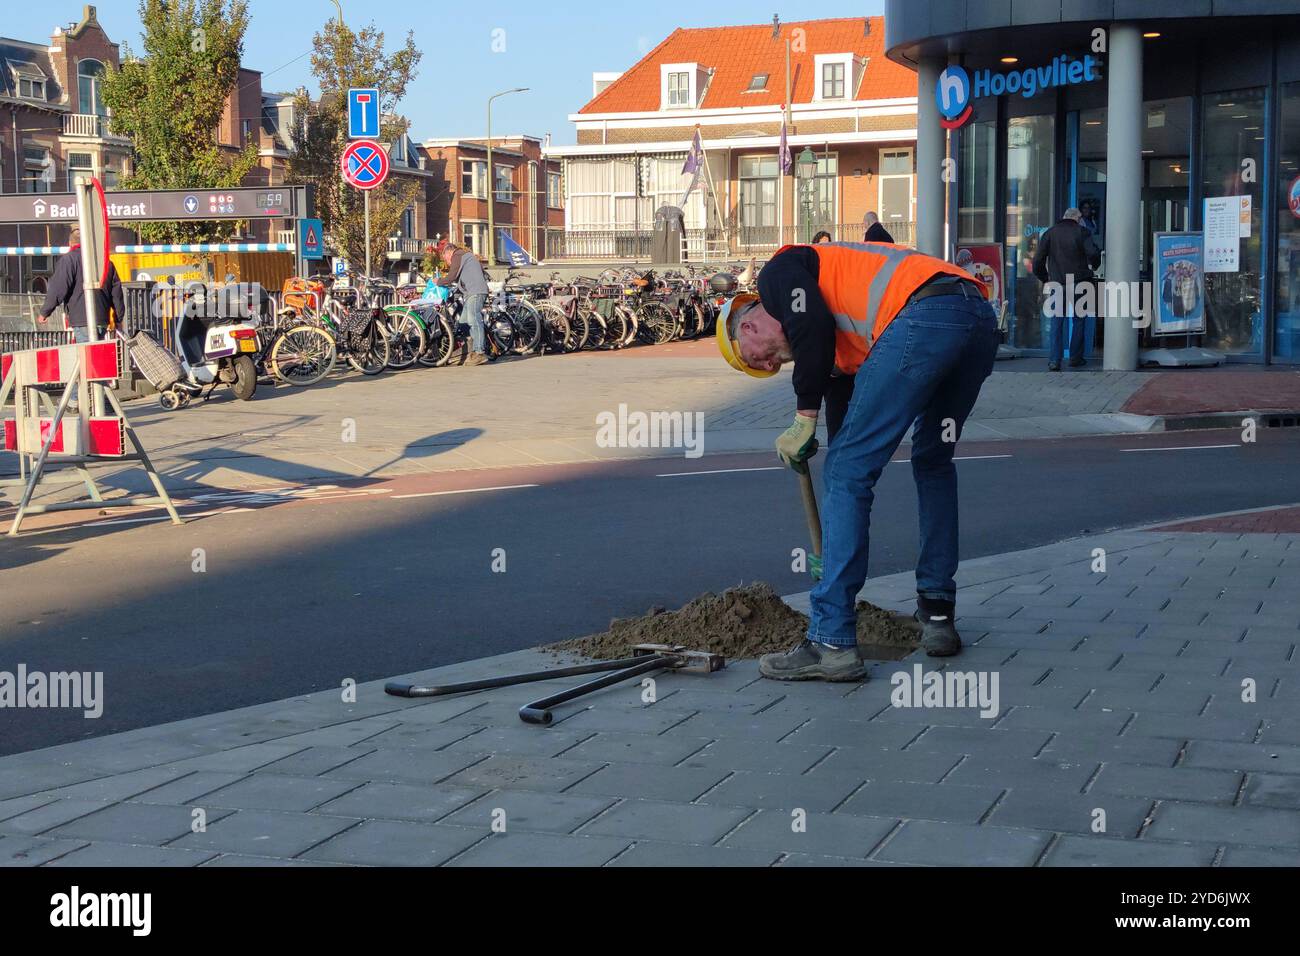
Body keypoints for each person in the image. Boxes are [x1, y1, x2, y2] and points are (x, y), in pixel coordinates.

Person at [716, 241, 998, 681]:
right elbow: (845, 413)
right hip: (974, 316)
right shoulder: (838, 340)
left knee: (847, 474)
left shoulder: (778, 275)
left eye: (764, 358)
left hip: (923, 316)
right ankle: (938, 614)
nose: (776, 363)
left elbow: (808, 325)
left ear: (748, 326)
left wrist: (802, 417)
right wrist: (816, 447)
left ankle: (832, 641)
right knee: (931, 459)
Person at [1032, 207, 1100, 370]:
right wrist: (1095, 266)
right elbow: (1093, 253)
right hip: (1080, 282)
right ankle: (1075, 358)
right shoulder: (1082, 232)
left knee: (1057, 321)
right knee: (1078, 320)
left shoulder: (1050, 233)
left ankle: (1055, 360)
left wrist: (1045, 278)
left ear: (1064, 217)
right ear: (1077, 218)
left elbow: (1038, 260)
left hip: (1057, 283)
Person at [39, 225, 126, 342]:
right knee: (97, 354)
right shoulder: (105, 262)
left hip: (81, 319)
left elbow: (58, 289)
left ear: (70, 243)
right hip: (101, 319)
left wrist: (45, 312)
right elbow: (116, 293)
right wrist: (118, 319)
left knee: (88, 355)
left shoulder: (68, 260)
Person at [436, 240, 490, 366]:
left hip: (475, 292)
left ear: (449, 253)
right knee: (464, 323)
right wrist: (450, 299)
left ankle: (479, 352)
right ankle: (470, 349)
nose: (448, 263)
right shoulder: (465, 259)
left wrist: (438, 281)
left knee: (473, 319)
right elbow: (462, 284)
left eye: (446, 260)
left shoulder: (458, 255)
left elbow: (451, 277)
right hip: (473, 292)